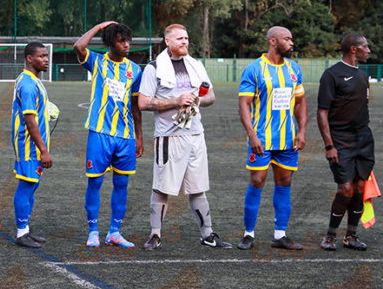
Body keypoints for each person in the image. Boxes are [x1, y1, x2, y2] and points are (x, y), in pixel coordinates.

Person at [138, 24, 228, 250]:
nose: (185, 42)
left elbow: (211, 97)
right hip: (169, 137)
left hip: (196, 134)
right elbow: (143, 103)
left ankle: (207, 235)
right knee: (162, 187)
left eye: (186, 38)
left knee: (198, 187)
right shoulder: (154, 67)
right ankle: (155, 235)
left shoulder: (196, 65)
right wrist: (176, 101)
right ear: (167, 41)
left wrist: (196, 100)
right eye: (180, 38)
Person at [74, 21, 144, 248]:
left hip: (126, 137)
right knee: (95, 183)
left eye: (128, 41)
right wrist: (98, 27)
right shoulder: (97, 61)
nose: (127, 45)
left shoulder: (136, 69)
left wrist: (139, 136)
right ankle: (93, 230)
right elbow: (79, 46)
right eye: (121, 41)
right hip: (100, 133)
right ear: (110, 43)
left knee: (122, 184)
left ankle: (115, 231)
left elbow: (135, 106)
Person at [237, 26, 307, 250]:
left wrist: (302, 130)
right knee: (257, 181)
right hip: (262, 139)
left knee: (284, 182)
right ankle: (248, 234)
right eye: (287, 39)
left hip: (288, 139)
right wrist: (252, 135)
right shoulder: (254, 69)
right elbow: (244, 104)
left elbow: (301, 102)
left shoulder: (294, 69)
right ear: (273, 42)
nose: (291, 43)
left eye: (291, 38)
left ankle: (280, 235)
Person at [317, 33, 373, 251]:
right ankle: (330, 236)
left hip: (364, 139)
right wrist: (329, 145)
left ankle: (351, 236)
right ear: (353, 49)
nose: (368, 50)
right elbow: (322, 112)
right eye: (365, 46)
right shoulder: (332, 75)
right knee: (345, 189)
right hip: (340, 139)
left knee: (359, 187)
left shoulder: (363, 75)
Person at [12, 42, 55, 249]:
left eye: (46, 56)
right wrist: (44, 150)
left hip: (33, 146)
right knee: (26, 185)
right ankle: (21, 233)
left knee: (32, 185)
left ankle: (26, 229)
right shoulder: (28, 84)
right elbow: (29, 120)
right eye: (42, 56)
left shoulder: (33, 81)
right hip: (29, 146)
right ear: (30, 58)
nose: (46, 59)